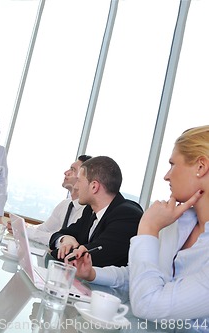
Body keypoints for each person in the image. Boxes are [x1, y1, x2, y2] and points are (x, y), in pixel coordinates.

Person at [70, 126, 209, 320]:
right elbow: (143, 277)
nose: (166, 176)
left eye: (172, 165)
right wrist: (93, 274)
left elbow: (149, 304)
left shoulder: (158, 224)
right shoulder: (179, 224)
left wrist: (149, 228)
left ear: (201, 167)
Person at [49, 156, 143, 267]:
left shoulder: (127, 215)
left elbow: (88, 259)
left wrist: (56, 252)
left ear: (94, 186)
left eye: (79, 181)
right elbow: (58, 235)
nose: (76, 186)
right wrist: (65, 239)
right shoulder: (90, 210)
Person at [8, 155, 92, 246]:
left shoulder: (87, 212)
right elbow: (44, 229)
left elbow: (60, 240)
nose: (66, 172)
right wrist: (25, 226)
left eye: (73, 170)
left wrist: (25, 231)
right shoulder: (65, 204)